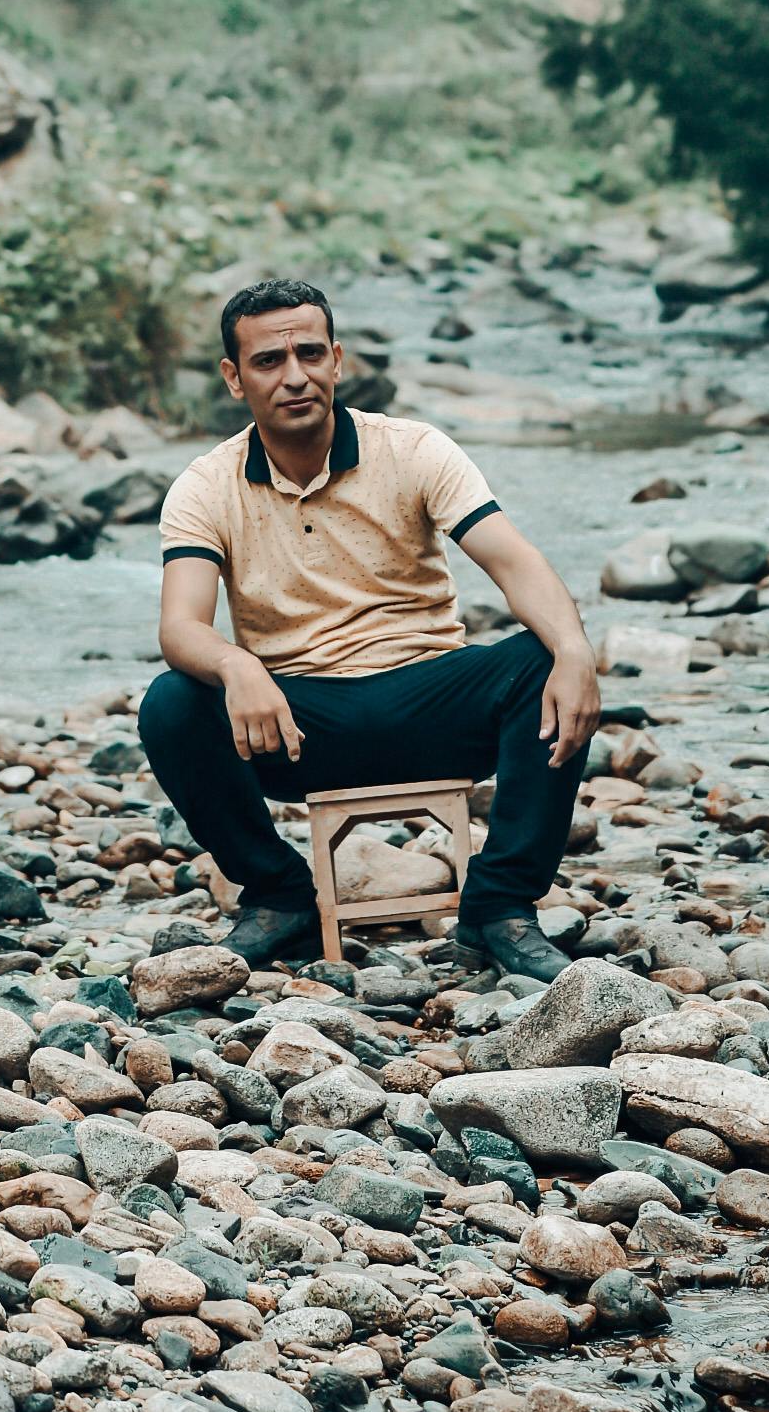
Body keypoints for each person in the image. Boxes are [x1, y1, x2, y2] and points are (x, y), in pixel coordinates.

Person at [137, 275, 601, 981]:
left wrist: (574, 649)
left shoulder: (413, 449)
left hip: (430, 704)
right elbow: (180, 625)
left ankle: (499, 910)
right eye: (269, 362)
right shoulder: (206, 485)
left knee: (546, 661)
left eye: (311, 355)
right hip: (299, 725)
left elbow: (513, 559)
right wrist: (238, 667)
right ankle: (279, 897)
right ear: (235, 378)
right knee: (173, 702)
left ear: (338, 360)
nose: (295, 377)